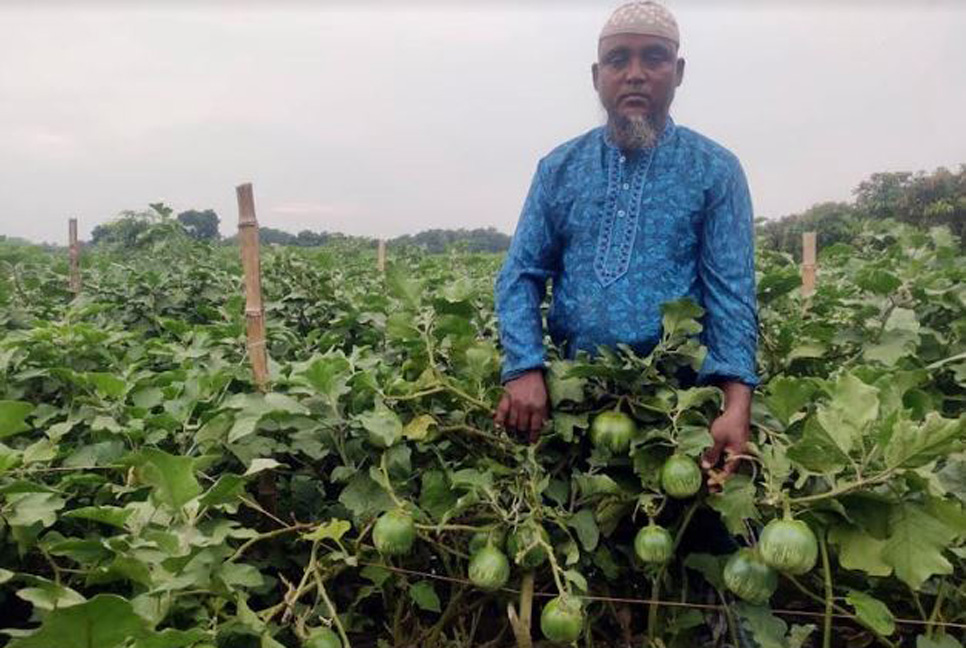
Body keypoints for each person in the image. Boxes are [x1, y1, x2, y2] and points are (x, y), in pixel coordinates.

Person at [493, 1, 758, 485]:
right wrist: (523, 368)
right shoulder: (559, 168)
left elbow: (732, 295)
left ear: (677, 72)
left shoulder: (716, 170)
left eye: (653, 58)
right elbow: (520, 274)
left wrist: (736, 402)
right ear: (597, 76)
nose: (635, 74)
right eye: (619, 60)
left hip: (676, 413)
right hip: (569, 404)